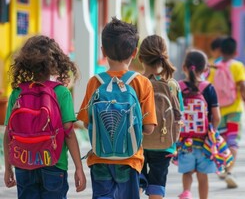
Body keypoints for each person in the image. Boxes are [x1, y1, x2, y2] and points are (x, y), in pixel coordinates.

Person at [77, 18, 157, 199]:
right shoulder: (142, 83)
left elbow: (85, 123)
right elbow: (149, 128)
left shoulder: (95, 82)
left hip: (99, 158)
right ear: (135, 52)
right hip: (130, 160)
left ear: (103, 51)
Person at [3, 35, 86, 198]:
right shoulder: (61, 93)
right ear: (55, 64)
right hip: (55, 164)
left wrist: (8, 168)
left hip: (24, 163)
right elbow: (68, 133)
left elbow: (8, 135)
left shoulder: (17, 93)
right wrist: (79, 168)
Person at [138, 35, 183, 199]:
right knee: (157, 185)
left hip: (139, 143)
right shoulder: (172, 85)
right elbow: (179, 115)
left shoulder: (137, 82)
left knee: (136, 179)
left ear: (140, 58)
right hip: (165, 144)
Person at [208, 37, 245, 188]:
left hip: (219, 111)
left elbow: (209, 89)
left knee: (221, 141)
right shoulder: (238, 66)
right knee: (233, 141)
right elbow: (243, 86)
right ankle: (229, 171)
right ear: (235, 51)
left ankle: (222, 168)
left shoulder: (214, 66)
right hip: (235, 110)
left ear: (220, 51)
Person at [178, 50, 221, 199]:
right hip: (204, 142)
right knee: (203, 176)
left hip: (185, 141)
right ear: (205, 70)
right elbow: (217, 117)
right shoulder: (208, 87)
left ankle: (187, 192)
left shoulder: (179, 87)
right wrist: (212, 132)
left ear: (184, 67)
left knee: (187, 172)